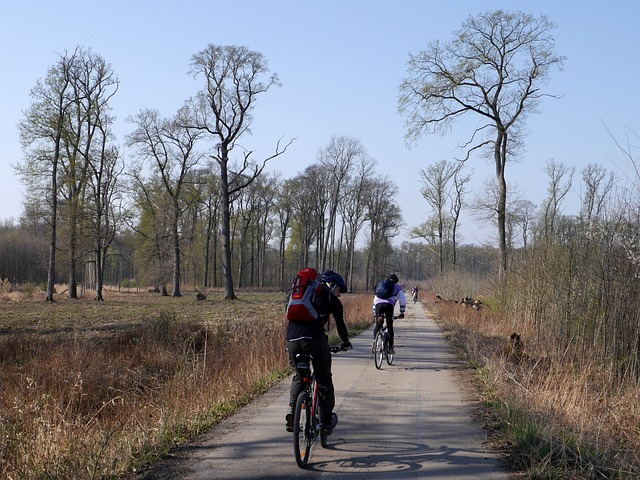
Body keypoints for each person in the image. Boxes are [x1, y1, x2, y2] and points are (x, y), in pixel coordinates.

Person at [285, 269, 351, 435]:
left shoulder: (295, 295)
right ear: (332, 285)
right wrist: (345, 343)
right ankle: (327, 421)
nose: (339, 294)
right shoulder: (332, 300)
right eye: (339, 290)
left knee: (300, 376)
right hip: (314, 340)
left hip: (292, 340)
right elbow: (341, 325)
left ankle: (293, 411)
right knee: (323, 379)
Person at [373, 273, 406, 354]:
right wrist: (402, 312)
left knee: (378, 324)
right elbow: (402, 300)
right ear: (396, 281)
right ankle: (390, 348)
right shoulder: (397, 287)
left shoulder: (381, 286)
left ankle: (375, 342)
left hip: (378, 306)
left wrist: (374, 312)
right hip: (389, 306)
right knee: (389, 326)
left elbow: (375, 300)